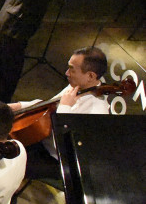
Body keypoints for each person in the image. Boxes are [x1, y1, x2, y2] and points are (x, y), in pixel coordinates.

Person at [10, 46, 109, 181]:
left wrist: (65, 107)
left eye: (72, 69)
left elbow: (66, 147)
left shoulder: (96, 112)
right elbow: (49, 106)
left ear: (90, 76)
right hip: (42, 140)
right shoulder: (78, 86)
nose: (67, 73)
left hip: (57, 160)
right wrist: (18, 106)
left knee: (9, 163)